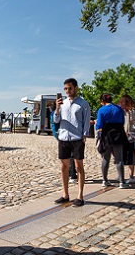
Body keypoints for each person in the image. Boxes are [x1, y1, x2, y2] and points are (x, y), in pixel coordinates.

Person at [53, 78, 91, 206]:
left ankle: (80, 196)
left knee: (79, 166)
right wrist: (57, 108)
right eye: (65, 89)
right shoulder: (62, 103)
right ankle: (65, 194)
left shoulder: (83, 104)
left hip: (76, 138)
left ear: (75, 88)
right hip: (63, 138)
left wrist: (84, 135)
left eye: (69, 88)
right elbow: (56, 120)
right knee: (64, 167)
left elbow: (86, 121)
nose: (67, 91)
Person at [96, 93, 127, 188]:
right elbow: (122, 121)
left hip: (107, 134)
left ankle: (105, 180)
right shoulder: (119, 108)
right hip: (118, 133)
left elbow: (99, 125)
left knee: (106, 158)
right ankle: (121, 181)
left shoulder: (102, 110)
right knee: (119, 158)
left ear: (102, 101)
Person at [118, 95, 135, 184]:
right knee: (129, 157)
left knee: (122, 157)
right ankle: (129, 176)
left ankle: (122, 176)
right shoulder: (130, 111)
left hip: (121, 136)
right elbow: (134, 123)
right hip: (127, 136)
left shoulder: (119, 111)